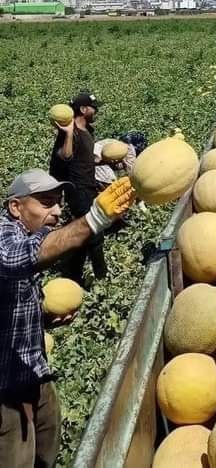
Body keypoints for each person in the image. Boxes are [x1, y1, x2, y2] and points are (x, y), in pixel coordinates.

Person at [0, 170, 133, 468]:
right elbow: (11, 259)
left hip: (34, 371)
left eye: (59, 202)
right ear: (15, 207)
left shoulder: (29, 234)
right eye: (47, 203)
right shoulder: (4, 236)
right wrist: (92, 221)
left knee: (47, 446)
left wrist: (44, 317)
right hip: (5, 390)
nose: (58, 211)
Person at [48, 92, 107, 284]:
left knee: (85, 232)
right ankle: (102, 276)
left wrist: (98, 162)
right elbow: (65, 156)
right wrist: (66, 133)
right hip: (77, 189)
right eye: (93, 107)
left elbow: (84, 156)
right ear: (83, 109)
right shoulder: (70, 133)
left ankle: (71, 274)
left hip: (89, 185)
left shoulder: (88, 129)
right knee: (94, 232)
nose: (96, 110)